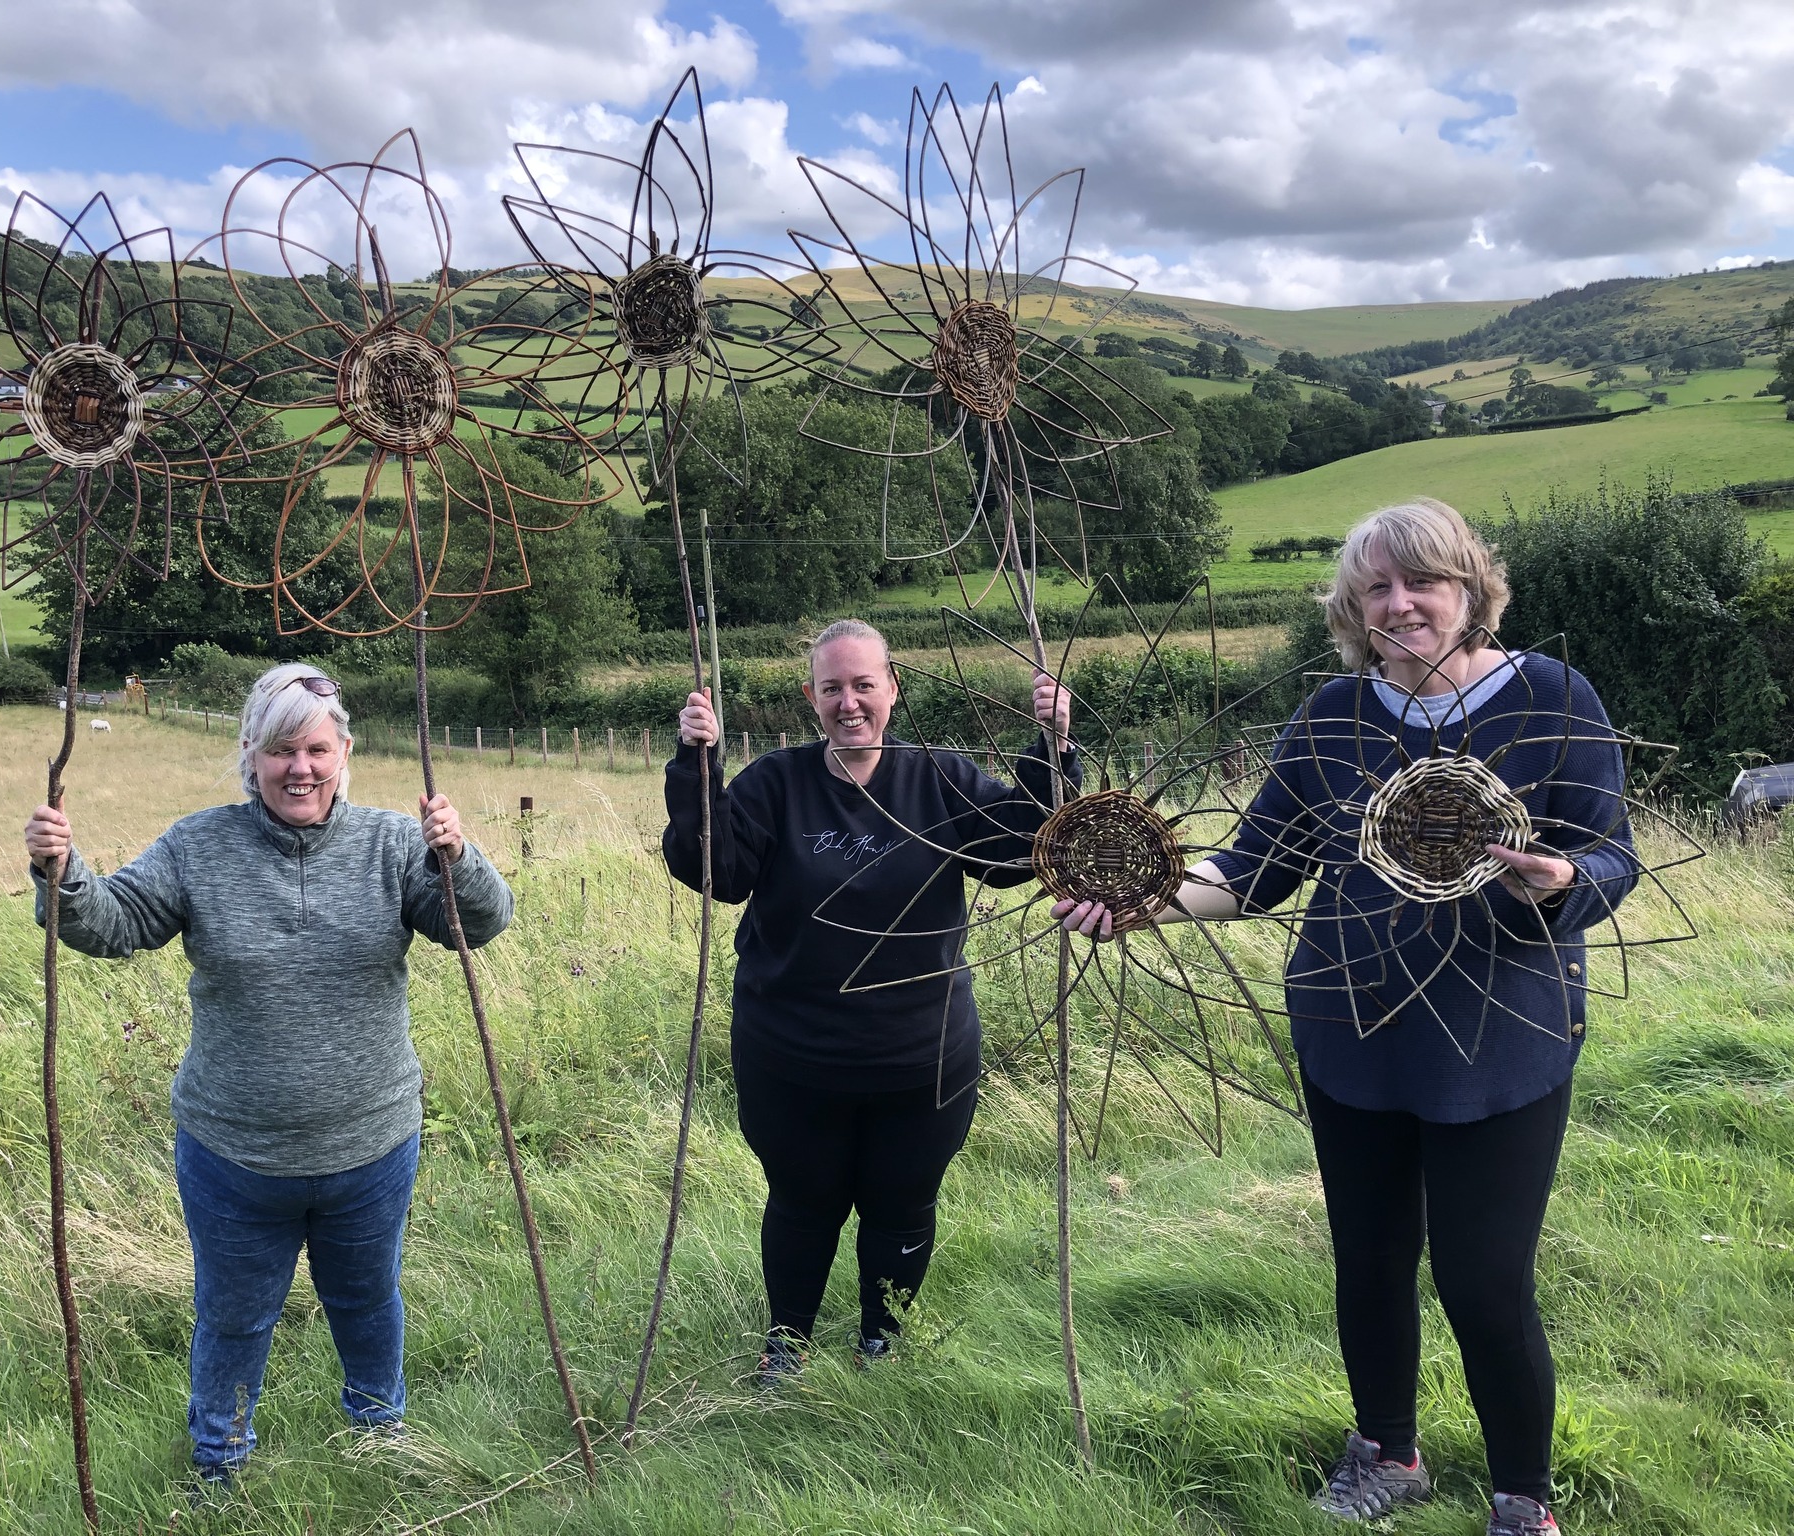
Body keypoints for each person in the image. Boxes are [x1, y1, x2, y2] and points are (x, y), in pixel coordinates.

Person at [1060, 499, 1637, 1536]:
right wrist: (1141, 902)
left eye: (1422, 581)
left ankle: (1521, 1499)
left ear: (1470, 590)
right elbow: (1252, 868)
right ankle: (1388, 1451)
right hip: (1351, 1034)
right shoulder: (1332, 717)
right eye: (1376, 586)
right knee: (1367, 1258)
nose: (1400, 602)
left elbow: (1609, 853)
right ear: (1351, 606)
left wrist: (1556, 880)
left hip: (1502, 1035)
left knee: (1481, 1278)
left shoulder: (1550, 696)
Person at [22, 663, 512, 1490]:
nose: (301, 769)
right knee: (235, 1316)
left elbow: (481, 925)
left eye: (316, 749)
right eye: (281, 750)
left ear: (344, 750)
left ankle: (379, 1437)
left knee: (367, 1301)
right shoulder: (198, 847)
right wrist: (62, 873)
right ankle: (220, 1463)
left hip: (371, 1144)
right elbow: (114, 925)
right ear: (250, 755)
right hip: (233, 1155)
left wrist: (456, 857)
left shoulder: (396, 843)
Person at [665, 618, 1079, 1382]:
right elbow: (716, 870)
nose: (849, 703)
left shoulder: (941, 779)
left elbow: (1021, 850)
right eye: (832, 688)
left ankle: (880, 1343)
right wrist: (697, 767)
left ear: (893, 688)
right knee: (801, 1202)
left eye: (864, 685)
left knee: (902, 1204)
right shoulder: (775, 784)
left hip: (921, 1059)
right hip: (791, 1057)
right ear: (810, 697)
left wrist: (1051, 751)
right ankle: (786, 1343)